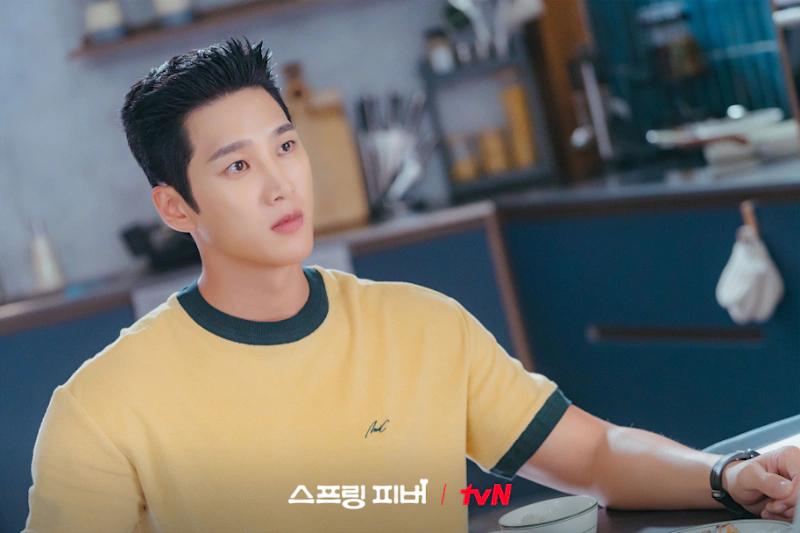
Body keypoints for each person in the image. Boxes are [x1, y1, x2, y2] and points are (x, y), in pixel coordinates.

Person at [25, 38, 800, 532]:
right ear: (175, 206)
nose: (279, 184)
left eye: (285, 146)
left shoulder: (423, 326)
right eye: (236, 165)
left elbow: (594, 453)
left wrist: (729, 476)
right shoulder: (103, 410)